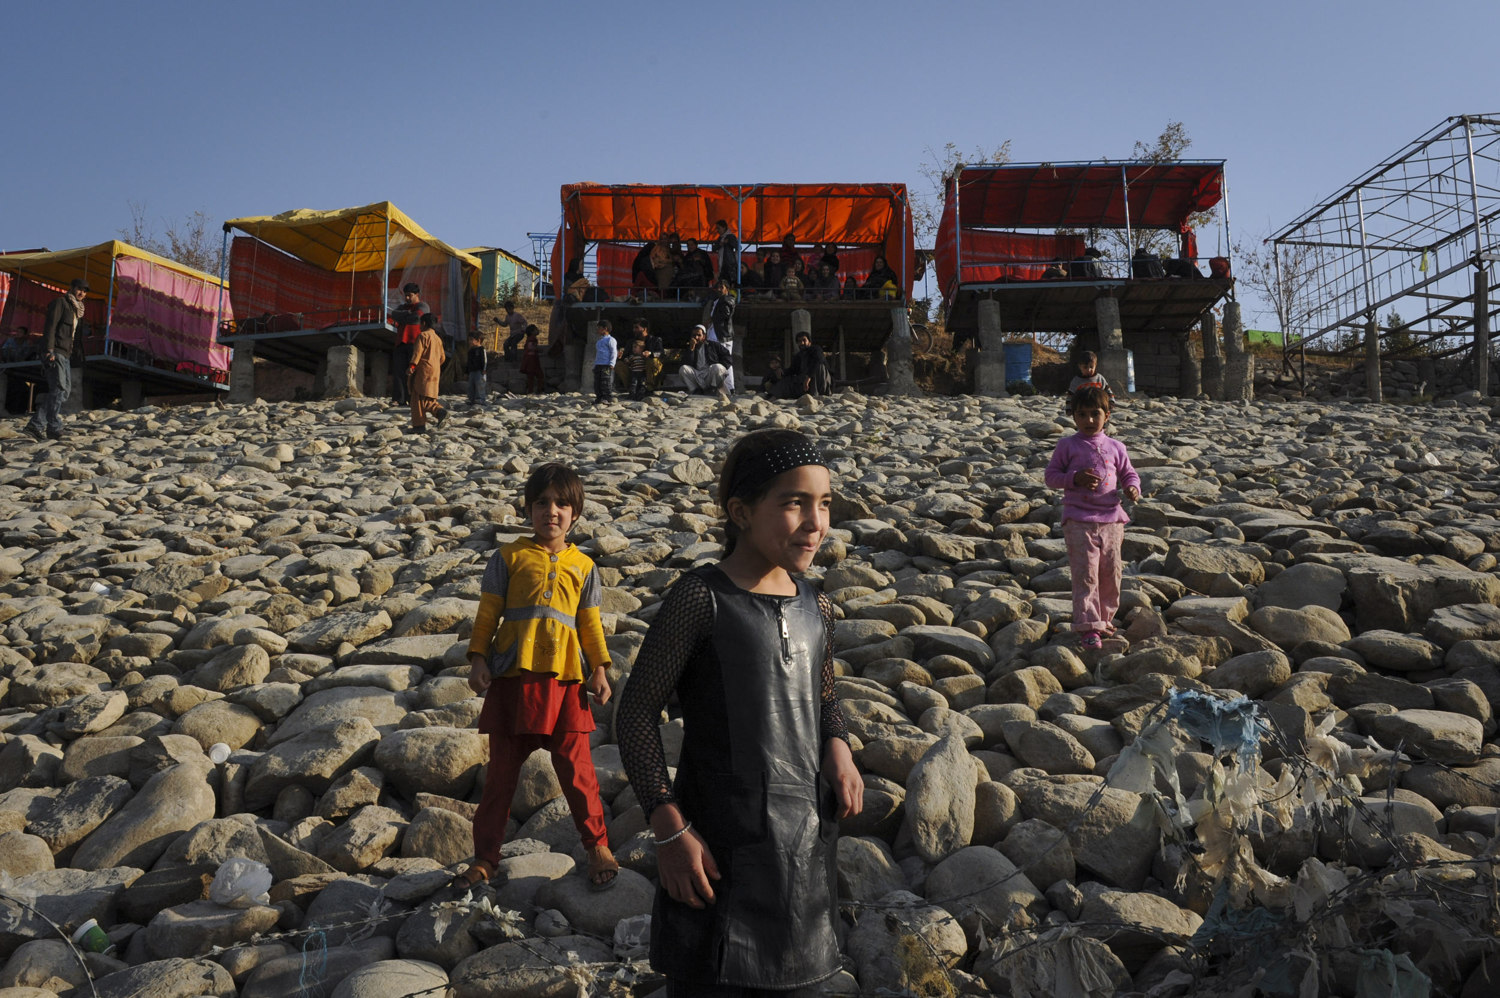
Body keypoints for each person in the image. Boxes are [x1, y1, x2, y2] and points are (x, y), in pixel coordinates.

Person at [616, 427, 862, 994]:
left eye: (824, 504)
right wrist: (668, 827)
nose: (814, 522)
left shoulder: (817, 606)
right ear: (741, 511)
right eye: (793, 503)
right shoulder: (699, 599)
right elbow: (635, 713)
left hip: (804, 845)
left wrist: (839, 745)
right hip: (715, 853)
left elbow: (824, 696)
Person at [459, 463, 619, 893]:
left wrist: (599, 669)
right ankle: (485, 858)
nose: (552, 511)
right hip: (514, 679)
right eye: (543, 503)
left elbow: (589, 624)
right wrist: (478, 658)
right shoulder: (508, 556)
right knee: (500, 779)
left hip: (566, 683)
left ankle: (597, 846)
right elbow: (488, 612)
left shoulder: (584, 566)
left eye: (562, 504)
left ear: (575, 514)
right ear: (528, 509)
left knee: (579, 773)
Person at [1044, 386, 1140, 651]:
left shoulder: (1116, 447)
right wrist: (1073, 478)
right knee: (1086, 574)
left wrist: (1133, 488)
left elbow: (1129, 474)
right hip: (1078, 520)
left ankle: (1105, 619)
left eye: (1094, 414)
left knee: (1111, 573)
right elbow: (1051, 477)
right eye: (1081, 414)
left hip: (1112, 520)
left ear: (1107, 415)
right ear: (1073, 417)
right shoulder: (1067, 445)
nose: (1088, 420)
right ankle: (1088, 626)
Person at [25, 279, 88, 442]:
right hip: (56, 351)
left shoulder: (77, 310)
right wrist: (49, 349)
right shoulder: (61, 303)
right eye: (79, 289)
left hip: (66, 353)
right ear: (72, 288)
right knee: (59, 388)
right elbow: (50, 327)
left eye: (84, 291)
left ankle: (40, 424)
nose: (82, 293)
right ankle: (49, 426)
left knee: (63, 391)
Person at [389, 282, 429, 405]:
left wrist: (404, 316)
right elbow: (394, 315)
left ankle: (414, 397)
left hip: (415, 343)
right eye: (405, 295)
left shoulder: (423, 305)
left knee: (415, 372)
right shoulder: (403, 307)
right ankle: (399, 399)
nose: (407, 298)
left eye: (409, 295)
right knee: (399, 372)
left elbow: (417, 317)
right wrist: (408, 315)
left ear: (417, 295)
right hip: (401, 341)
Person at [407, 313, 448, 433]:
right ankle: (440, 411)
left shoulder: (423, 336)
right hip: (435, 371)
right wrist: (435, 365)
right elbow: (442, 357)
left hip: (423, 371)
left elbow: (417, 353)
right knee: (428, 397)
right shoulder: (438, 339)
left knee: (417, 398)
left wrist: (412, 366)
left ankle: (419, 426)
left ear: (424, 323)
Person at [678, 324, 731, 399]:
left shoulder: (713, 345)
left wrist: (723, 367)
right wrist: (691, 350)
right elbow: (684, 364)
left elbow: (727, 356)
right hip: (697, 374)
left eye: (699, 335)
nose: (696, 337)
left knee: (717, 367)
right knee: (683, 369)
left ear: (704, 336)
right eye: (694, 335)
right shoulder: (689, 348)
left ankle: (713, 389)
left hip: (710, 374)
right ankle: (696, 391)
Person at [788, 331, 831, 396]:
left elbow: (818, 361)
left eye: (804, 340)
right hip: (806, 384)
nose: (802, 343)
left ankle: (815, 393)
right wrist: (781, 372)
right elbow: (792, 370)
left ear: (809, 342)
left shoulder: (816, 349)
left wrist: (808, 377)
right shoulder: (798, 356)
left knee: (819, 365)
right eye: (799, 341)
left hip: (821, 382)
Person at [705, 278, 735, 347]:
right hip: (715, 335)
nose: (719, 289)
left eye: (721, 287)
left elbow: (725, 314)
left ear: (727, 289)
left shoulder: (726, 299)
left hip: (721, 337)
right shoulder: (717, 301)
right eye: (717, 287)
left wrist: (711, 319)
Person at [593, 318, 617, 405]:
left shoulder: (611, 340)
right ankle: (599, 397)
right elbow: (598, 354)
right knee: (597, 382)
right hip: (598, 364)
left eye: (599, 328)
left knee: (606, 382)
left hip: (606, 365)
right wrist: (595, 364)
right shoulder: (599, 341)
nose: (597, 330)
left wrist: (612, 363)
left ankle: (607, 398)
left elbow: (614, 352)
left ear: (605, 328)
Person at [711, 220, 740, 285]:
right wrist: (721, 244)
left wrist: (728, 242)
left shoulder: (731, 236)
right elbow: (713, 248)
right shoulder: (720, 238)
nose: (717, 230)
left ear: (724, 227)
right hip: (723, 263)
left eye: (718, 228)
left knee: (729, 281)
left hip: (729, 263)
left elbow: (737, 246)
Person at [519, 325, 546, 394]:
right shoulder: (532, 339)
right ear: (532, 332)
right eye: (536, 330)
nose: (537, 331)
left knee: (531, 377)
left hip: (530, 359)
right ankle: (539, 390)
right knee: (539, 375)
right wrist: (539, 350)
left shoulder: (529, 339)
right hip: (532, 360)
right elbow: (531, 347)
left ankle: (531, 391)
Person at [465, 334, 488, 406]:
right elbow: (468, 362)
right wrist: (466, 371)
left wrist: (484, 369)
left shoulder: (482, 349)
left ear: (478, 341)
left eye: (471, 340)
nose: (470, 341)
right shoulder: (470, 351)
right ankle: (471, 399)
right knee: (470, 386)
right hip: (472, 371)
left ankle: (480, 399)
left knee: (479, 385)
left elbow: (484, 360)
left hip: (479, 371)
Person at [626, 337, 650, 401]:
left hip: (642, 372)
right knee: (634, 384)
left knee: (642, 384)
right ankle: (632, 395)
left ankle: (641, 395)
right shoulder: (632, 356)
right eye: (633, 347)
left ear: (641, 348)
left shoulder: (643, 357)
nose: (633, 349)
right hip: (634, 373)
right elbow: (628, 362)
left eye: (635, 347)